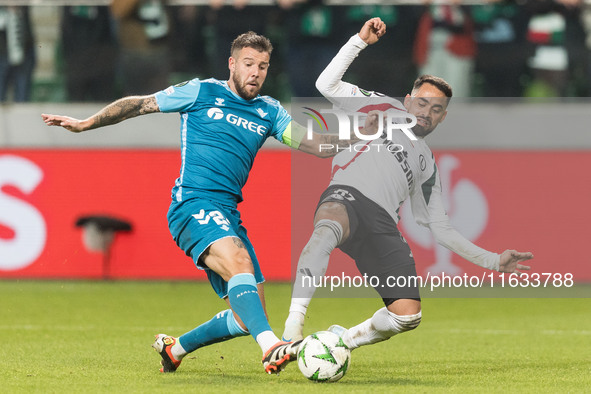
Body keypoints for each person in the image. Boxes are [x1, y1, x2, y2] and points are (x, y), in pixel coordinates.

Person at [42, 31, 352, 375]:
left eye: (263, 66)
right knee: (239, 260)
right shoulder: (202, 91)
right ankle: (271, 347)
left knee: (247, 316)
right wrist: (88, 123)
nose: (256, 73)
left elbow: (315, 144)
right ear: (232, 64)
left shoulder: (269, 112)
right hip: (192, 204)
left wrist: (361, 135)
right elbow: (140, 103)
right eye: (249, 64)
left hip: (228, 213)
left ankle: (176, 349)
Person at [282, 18, 534, 351]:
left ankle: (340, 341)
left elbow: (440, 228)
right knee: (326, 227)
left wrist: (493, 261)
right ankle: (292, 329)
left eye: (436, 109)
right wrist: (359, 41)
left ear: (443, 117)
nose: (426, 112)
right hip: (347, 195)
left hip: (383, 224)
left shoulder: (427, 164)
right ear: (406, 100)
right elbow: (326, 84)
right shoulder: (382, 107)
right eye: (421, 102)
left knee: (407, 315)